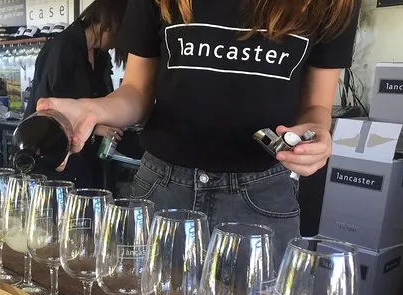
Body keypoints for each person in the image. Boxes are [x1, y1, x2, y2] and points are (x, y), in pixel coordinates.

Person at [38, 0, 360, 263]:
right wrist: (94, 109)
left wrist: (316, 132)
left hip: (261, 197)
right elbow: (136, 91)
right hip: (163, 190)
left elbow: (317, 106)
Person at [23, 0, 128, 188]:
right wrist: (96, 127)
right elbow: (46, 111)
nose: (118, 42)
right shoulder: (62, 48)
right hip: (52, 156)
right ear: (110, 23)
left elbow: (103, 101)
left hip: (86, 158)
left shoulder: (101, 57)